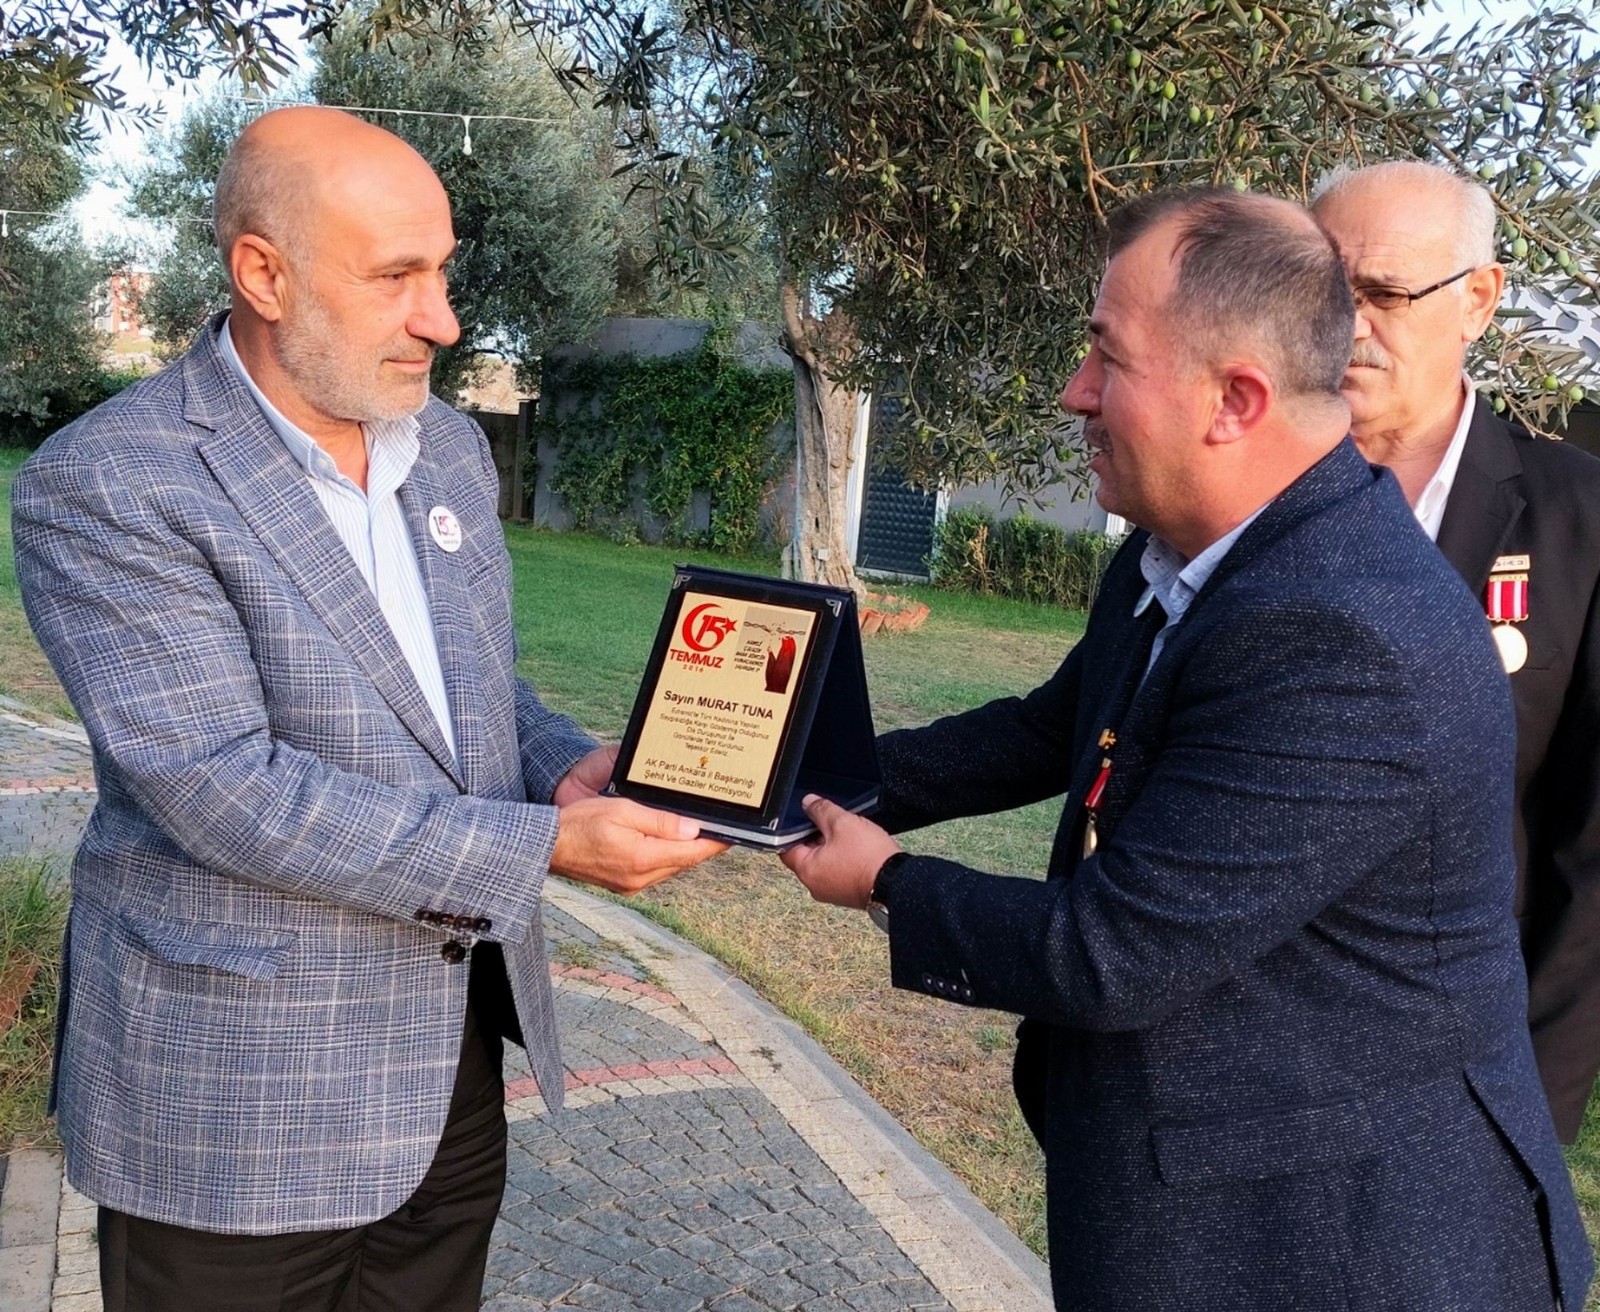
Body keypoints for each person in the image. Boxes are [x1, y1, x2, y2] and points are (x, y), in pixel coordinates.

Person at [782, 189, 1592, 1311]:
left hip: (1340, 1246)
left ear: (1235, 401)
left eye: (1107, 358)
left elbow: (1108, 952)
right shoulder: (1187, 550)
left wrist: (885, 881)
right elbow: (1048, 729)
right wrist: (789, 772)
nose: (1074, 392)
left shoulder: (1343, 631)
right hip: (1221, 1205)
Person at [12, 107, 724, 1311]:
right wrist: (543, 846)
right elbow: (224, 789)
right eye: (397, 276)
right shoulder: (112, 481)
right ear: (264, 275)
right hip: (235, 1109)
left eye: (442, 272)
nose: (442, 319)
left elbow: (465, 680)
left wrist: (559, 764)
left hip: (446, 1079)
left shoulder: (442, 447)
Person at [1313, 160, 1600, 1143]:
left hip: (1444, 1089)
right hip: (1227, 1086)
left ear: (1478, 300)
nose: (1349, 324)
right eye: (1323, 288)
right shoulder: (1240, 486)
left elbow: (1589, 861)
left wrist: (1522, 1123)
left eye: (1384, 293)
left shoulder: (1578, 523)